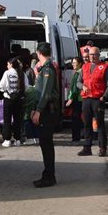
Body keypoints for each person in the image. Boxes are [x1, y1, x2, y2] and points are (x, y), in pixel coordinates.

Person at [31, 42, 60, 188]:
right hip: (44, 109)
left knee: (46, 144)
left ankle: (49, 176)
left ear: (38, 53)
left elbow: (46, 93)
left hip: (47, 111)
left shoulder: (48, 69)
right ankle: (48, 174)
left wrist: (38, 110)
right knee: (44, 143)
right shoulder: (43, 69)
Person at [78, 47, 108, 157]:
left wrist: (104, 97)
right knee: (86, 123)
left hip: (98, 99)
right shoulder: (84, 66)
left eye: (94, 55)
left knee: (100, 124)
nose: (92, 57)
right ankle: (87, 147)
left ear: (99, 55)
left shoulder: (104, 67)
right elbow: (78, 82)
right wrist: (82, 86)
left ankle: (102, 147)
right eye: (90, 55)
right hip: (86, 99)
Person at [0, 57, 28, 147]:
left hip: (8, 99)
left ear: (11, 64)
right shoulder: (22, 73)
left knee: (7, 120)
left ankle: (7, 139)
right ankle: (17, 139)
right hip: (19, 99)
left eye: (7, 64)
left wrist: (1, 88)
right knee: (17, 119)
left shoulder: (7, 73)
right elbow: (27, 86)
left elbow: (1, 86)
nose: (7, 66)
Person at [66, 56, 84, 144]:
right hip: (80, 98)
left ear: (80, 63)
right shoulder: (79, 72)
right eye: (72, 62)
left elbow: (74, 87)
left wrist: (71, 98)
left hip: (77, 99)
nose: (73, 64)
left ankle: (76, 139)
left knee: (75, 119)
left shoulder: (78, 73)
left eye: (74, 63)